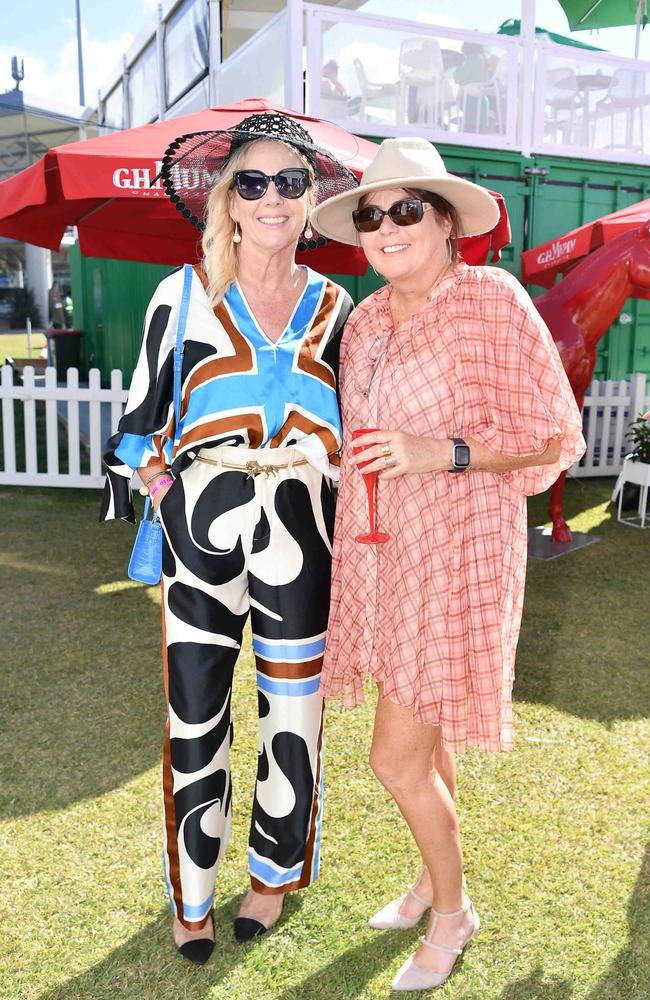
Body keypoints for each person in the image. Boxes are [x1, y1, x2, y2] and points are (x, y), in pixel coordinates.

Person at [311, 137, 586, 992]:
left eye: (405, 210)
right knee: (423, 742)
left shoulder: (490, 302)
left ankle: (453, 913)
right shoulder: (361, 321)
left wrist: (448, 451)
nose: (386, 227)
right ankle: (435, 879)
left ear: (443, 221)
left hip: (459, 552)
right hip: (380, 555)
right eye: (370, 214)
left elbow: (555, 434)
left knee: (393, 758)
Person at [101, 113, 357, 964]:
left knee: (295, 715)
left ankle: (271, 880)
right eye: (252, 182)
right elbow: (138, 428)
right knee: (194, 719)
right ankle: (193, 894)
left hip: (304, 530)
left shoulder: (337, 306)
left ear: (312, 198)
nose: (273, 197)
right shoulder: (181, 295)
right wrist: (170, 491)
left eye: (291, 181)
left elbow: (358, 428)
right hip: (200, 529)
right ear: (229, 200)